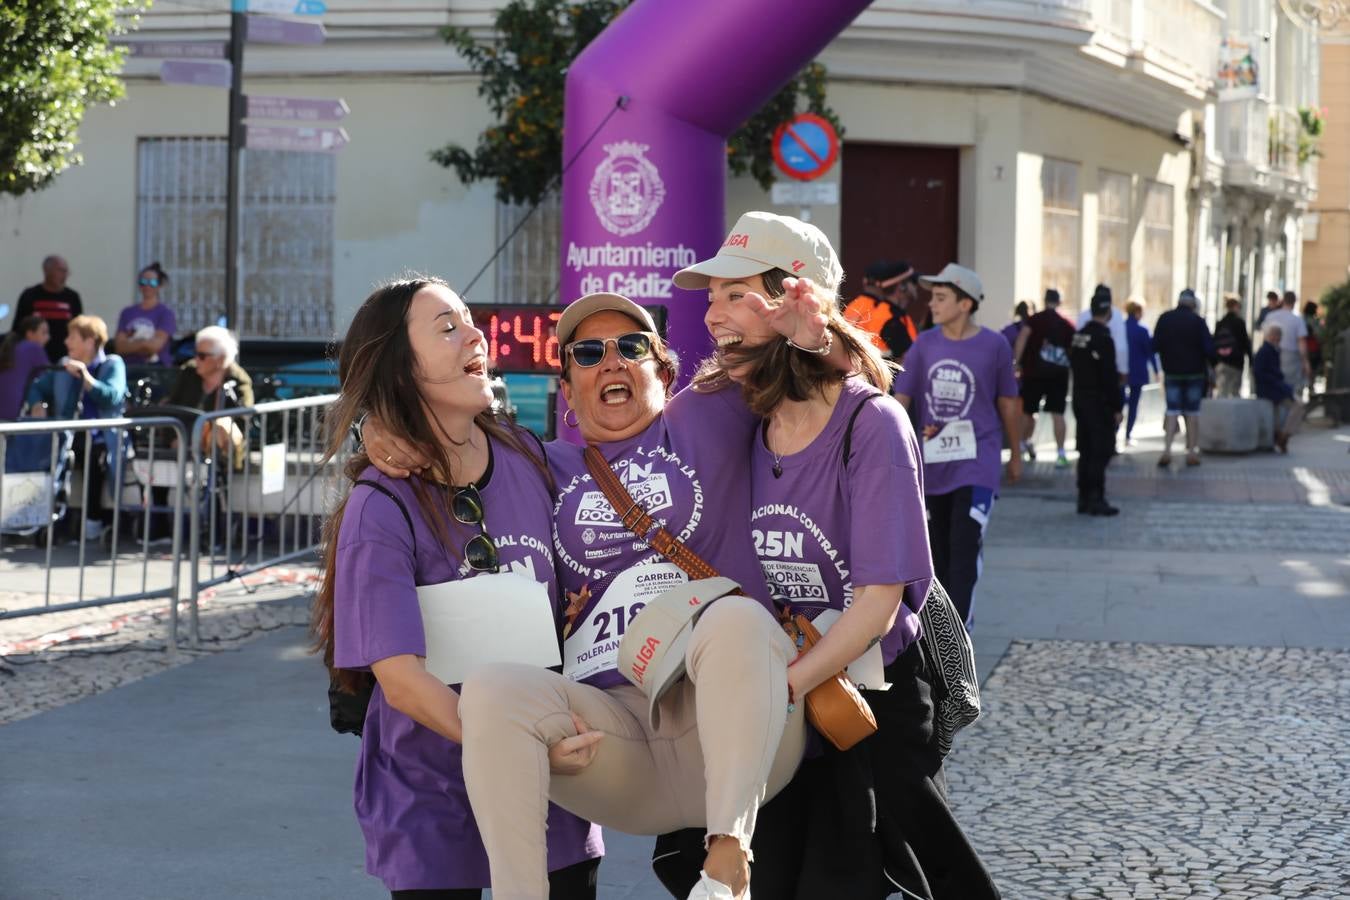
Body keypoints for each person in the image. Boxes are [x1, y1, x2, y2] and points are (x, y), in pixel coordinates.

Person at [686, 216, 1002, 899]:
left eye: (735, 294)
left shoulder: (872, 425)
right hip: (790, 698)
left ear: (796, 299)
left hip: (872, 702)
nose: (712, 312)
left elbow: (878, 604)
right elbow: (642, 436)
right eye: (711, 296)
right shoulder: (745, 415)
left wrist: (783, 688)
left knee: (914, 876)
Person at [310, 277, 604, 898]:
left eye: (469, 320)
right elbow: (404, 682)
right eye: (447, 327)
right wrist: (521, 748)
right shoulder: (379, 506)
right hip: (434, 798)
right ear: (399, 368)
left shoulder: (531, 457)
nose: (476, 335)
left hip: (552, 791)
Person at [894, 263, 1021, 630]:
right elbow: (900, 400)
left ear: (965, 304)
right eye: (933, 297)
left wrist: (1015, 454)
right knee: (938, 554)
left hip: (977, 464)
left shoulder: (995, 345)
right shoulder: (924, 344)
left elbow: (1008, 403)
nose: (932, 304)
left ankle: (958, 634)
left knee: (965, 547)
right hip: (931, 467)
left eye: (941, 297)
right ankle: (937, 630)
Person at [24, 314, 128, 538]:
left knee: (94, 456)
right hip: (68, 436)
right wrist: (36, 404)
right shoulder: (64, 367)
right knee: (54, 454)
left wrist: (85, 377)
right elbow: (36, 387)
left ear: (90, 341)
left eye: (72, 337)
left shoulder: (113, 364)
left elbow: (111, 396)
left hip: (102, 438)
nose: (66, 342)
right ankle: (45, 521)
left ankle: (93, 522)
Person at [1070, 290, 1123, 516]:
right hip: (1098, 402)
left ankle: (1083, 497)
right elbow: (1109, 376)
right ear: (1108, 311)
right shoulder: (1104, 338)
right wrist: (1117, 406)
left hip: (1080, 398)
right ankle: (1096, 498)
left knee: (1085, 449)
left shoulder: (1079, 336)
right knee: (1099, 451)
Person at [165, 326, 253, 459]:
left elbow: (243, 418)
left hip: (218, 453)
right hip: (184, 442)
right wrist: (173, 439)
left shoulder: (238, 380)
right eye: (195, 353)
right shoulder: (189, 372)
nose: (196, 359)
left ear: (220, 358)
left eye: (202, 356)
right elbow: (172, 406)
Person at [1150, 289, 1214, 468]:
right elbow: (1209, 349)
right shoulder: (1198, 322)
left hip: (1172, 372)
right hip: (1194, 373)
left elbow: (1154, 345)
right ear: (1193, 304)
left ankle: (1167, 450)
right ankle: (1191, 452)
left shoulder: (1165, 318)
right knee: (1193, 412)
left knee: (1172, 411)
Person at [1013, 288, 1075, 468]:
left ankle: (1022, 445)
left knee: (1028, 412)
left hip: (1034, 373)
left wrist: (1016, 363)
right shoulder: (1066, 323)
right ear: (1059, 302)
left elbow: (1021, 340)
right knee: (1058, 414)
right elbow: (1073, 350)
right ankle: (1061, 453)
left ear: (1044, 300)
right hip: (1058, 375)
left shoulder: (1034, 320)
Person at [842, 260, 918, 363]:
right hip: (876, 371)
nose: (916, 286)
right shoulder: (885, 314)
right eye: (913, 282)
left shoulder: (854, 305)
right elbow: (909, 359)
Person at [12, 255, 82, 363]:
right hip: (33, 360)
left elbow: (79, 329)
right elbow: (18, 330)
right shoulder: (30, 295)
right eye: (61, 271)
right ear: (47, 271)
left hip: (64, 360)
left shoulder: (72, 297)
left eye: (66, 271)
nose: (65, 275)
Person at [113, 263, 177, 366]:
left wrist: (132, 344)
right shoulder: (127, 312)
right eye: (143, 282)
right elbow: (120, 347)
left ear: (159, 285)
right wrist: (144, 344)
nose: (147, 286)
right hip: (129, 367)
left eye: (152, 283)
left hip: (157, 368)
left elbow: (156, 346)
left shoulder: (166, 313)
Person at [1253, 324, 1304, 453]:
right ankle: (1284, 435)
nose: (1279, 339)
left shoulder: (1272, 350)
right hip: (1270, 388)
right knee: (1297, 405)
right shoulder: (1266, 351)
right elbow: (1259, 372)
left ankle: (1281, 435)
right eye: (1278, 337)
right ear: (1273, 336)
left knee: (1283, 411)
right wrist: (1277, 382)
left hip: (1273, 387)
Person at [1075, 284, 1129, 390]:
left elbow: (1077, 345)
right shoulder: (1116, 316)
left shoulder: (1083, 316)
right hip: (1107, 373)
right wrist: (1123, 371)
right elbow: (1121, 348)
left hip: (1084, 373)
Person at [0, 316, 52, 420]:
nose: (48, 337)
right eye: (44, 332)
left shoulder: (10, 347)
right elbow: (50, 379)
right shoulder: (34, 348)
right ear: (30, 333)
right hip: (15, 416)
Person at [1261, 291, 1310, 401]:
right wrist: (1305, 362)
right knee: (1292, 390)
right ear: (1294, 302)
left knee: (1275, 387)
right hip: (1291, 358)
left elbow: (1264, 337)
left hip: (1272, 354)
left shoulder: (1270, 316)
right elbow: (1301, 343)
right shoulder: (1297, 320)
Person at [1122, 300, 1158, 444]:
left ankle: (1117, 431)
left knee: (1120, 400)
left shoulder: (1122, 328)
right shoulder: (1142, 331)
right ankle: (1127, 435)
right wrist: (1157, 371)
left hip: (1123, 370)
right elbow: (1150, 353)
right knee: (1134, 403)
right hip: (1137, 371)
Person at [1212, 293, 1252, 399]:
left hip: (1221, 362)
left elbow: (1214, 343)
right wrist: (1251, 360)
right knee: (1235, 392)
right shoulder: (1239, 323)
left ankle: (1221, 414)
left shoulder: (1220, 323)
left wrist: (1214, 362)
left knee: (1222, 392)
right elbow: (1246, 343)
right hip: (1236, 362)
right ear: (1236, 307)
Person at [1303, 300, 1324, 391]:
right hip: (1313, 349)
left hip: (1302, 348)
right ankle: (1311, 389)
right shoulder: (1314, 321)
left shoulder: (1300, 319)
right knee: (1312, 371)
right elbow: (1319, 335)